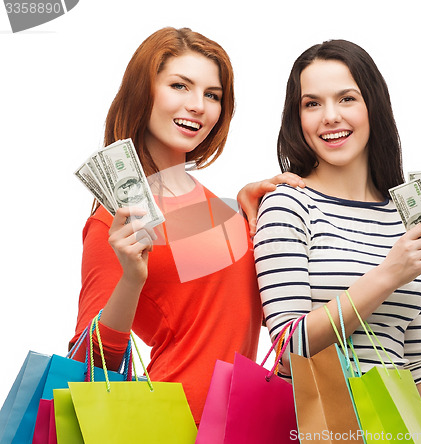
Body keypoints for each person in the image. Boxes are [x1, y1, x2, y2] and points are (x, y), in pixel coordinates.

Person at [69, 26, 304, 426]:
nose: (198, 105)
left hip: (243, 424)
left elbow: (259, 315)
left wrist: (245, 217)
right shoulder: (115, 219)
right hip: (170, 424)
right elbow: (88, 364)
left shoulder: (223, 209)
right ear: (144, 92)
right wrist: (131, 279)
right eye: (180, 86)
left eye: (212, 95)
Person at [253, 39, 421, 441]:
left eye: (346, 98)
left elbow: (420, 354)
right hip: (315, 428)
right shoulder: (289, 205)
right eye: (312, 104)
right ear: (297, 118)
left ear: (372, 106)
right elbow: (290, 347)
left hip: (394, 429)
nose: (330, 116)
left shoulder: (405, 215)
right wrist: (387, 275)